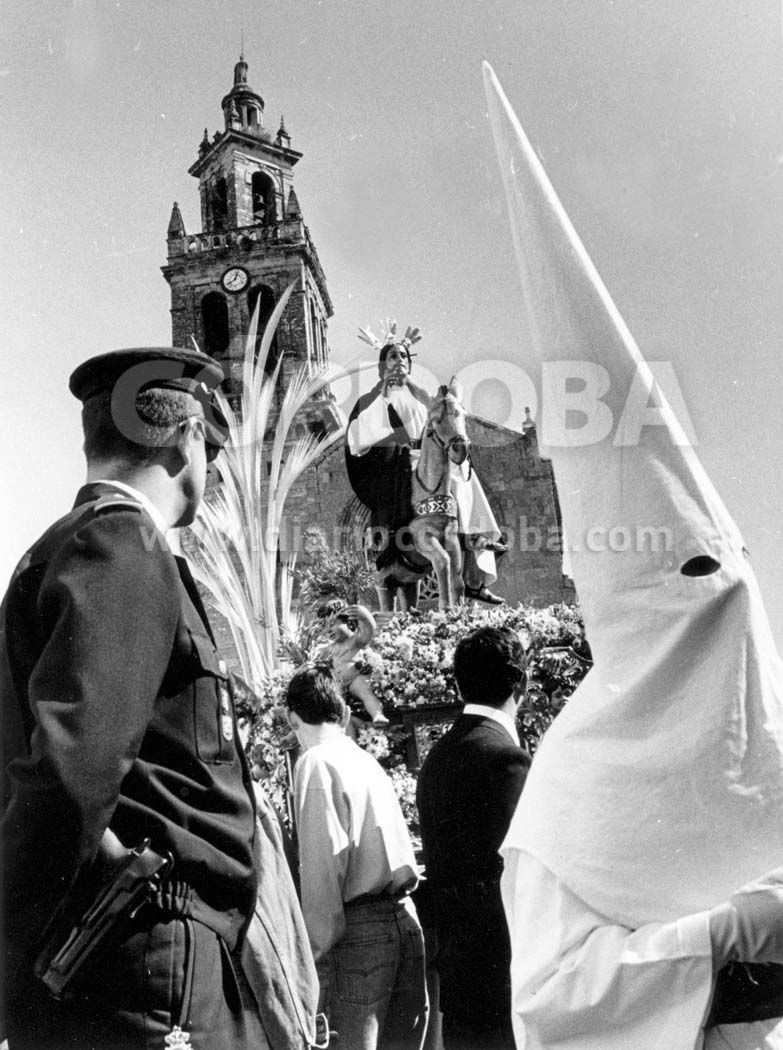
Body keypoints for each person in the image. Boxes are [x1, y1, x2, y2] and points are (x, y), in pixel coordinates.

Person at [483, 63, 783, 1050]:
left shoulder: (761, 728)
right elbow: (559, 1001)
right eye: (690, 575)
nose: (725, 597)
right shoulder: (569, 792)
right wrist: (740, 932)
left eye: (721, 561)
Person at [0, 347, 266, 1049]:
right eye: (210, 448)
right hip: (146, 956)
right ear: (185, 440)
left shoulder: (65, 548)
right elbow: (71, 772)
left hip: (128, 955)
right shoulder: (122, 542)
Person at [285, 662, 428, 1050]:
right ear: (343, 712)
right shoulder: (364, 759)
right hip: (404, 920)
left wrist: (311, 958)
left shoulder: (315, 761)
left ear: (292, 718)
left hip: (359, 935)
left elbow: (322, 868)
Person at [416, 626, 531, 1050]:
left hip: (461, 974)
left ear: (459, 683)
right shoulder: (505, 758)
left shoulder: (436, 759)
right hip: (505, 975)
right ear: (522, 682)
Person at [346, 321, 506, 604]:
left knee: (466, 478)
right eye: (392, 356)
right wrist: (384, 396)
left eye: (404, 356)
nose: (399, 361)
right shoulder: (373, 398)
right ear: (382, 365)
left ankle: (476, 557)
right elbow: (358, 437)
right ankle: (395, 548)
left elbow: (444, 416)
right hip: (398, 466)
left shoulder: (421, 395)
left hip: (433, 460)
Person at [315, 602, 388, 725]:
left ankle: (377, 714)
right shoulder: (330, 647)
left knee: (365, 691)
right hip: (339, 685)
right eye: (324, 627)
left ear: (348, 621)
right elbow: (317, 661)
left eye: (332, 624)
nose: (328, 630)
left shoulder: (355, 640)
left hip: (356, 679)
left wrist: (364, 616)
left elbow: (369, 629)